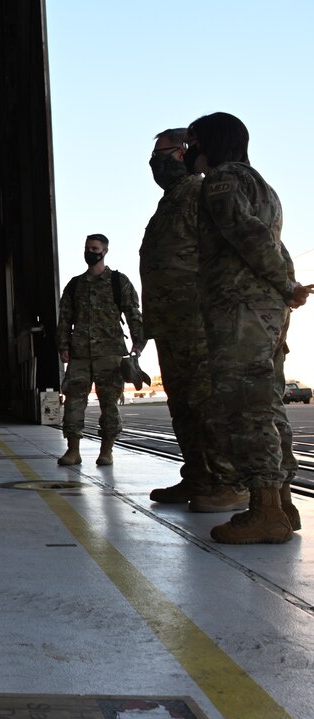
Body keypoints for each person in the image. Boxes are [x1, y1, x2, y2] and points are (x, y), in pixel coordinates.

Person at [185, 112, 307, 544]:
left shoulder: (221, 180)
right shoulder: (262, 185)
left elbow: (248, 234)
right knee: (268, 401)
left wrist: (286, 284)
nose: (187, 148)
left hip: (239, 308)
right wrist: (284, 291)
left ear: (211, 142)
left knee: (243, 404)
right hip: (265, 310)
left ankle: (265, 512)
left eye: (192, 139)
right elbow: (274, 242)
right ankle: (284, 502)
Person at [139, 129, 242, 512]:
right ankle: (198, 475)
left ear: (182, 153)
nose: (155, 162)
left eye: (160, 153)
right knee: (183, 406)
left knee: (207, 404)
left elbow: (235, 239)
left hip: (198, 322)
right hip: (171, 324)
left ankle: (227, 482)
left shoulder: (200, 192)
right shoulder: (170, 201)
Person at [56, 234, 144, 467]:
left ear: (104, 251)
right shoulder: (75, 285)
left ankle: (107, 451)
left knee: (109, 404)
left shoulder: (118, 281)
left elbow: (133, 312)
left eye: (94, 248)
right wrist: (63, 346)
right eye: (87, 248)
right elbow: (64, 319)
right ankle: (73, 450)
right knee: (73, 402)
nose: (90, 252)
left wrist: (138, 343)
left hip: (110, 353)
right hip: (80, 354)